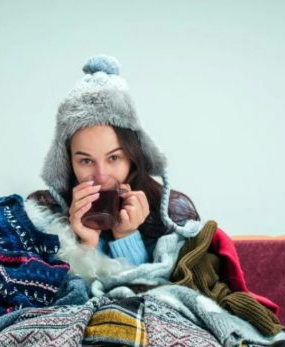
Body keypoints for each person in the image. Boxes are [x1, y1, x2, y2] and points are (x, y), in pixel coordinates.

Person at [29, 55, 199, 265]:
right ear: (67, 162)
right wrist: (85, 245)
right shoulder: (43, 213)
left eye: (114, 157)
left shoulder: (174, 214)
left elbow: (156, 293)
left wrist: (126, 236)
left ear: (134, 156)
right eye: (86, 161)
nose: (101, 175)